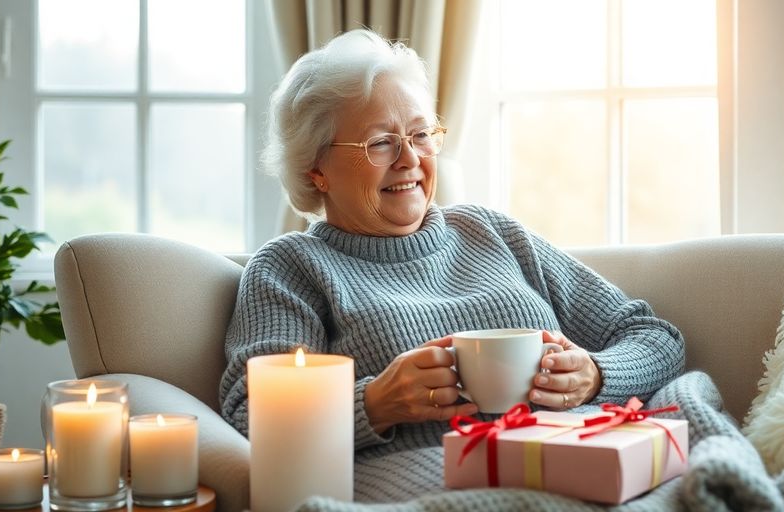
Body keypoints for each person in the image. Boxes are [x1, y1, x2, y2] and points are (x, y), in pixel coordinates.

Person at [218, 29, 685, 502]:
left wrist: (596, 376)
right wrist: (376, 402)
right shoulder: (290, 267)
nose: (409, 160)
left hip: (580, 461)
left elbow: (654, 335)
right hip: (434, 483)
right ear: (315, 169)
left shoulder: (493, 233)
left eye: (421, 135)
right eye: (380, 143)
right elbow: (251, 413)